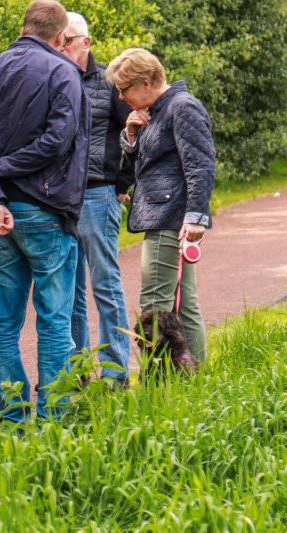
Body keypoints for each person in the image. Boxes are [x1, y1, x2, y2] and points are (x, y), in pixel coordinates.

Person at [0, 0, 90, 424]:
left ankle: (14, 419)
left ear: (25, 26)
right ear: (60, 36)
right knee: (54, 321)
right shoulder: (64, 72)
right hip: (46, 209)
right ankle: (55, 419)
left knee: (4, 323)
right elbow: (59, 140)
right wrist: (7, 170)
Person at [107, 48, 215, 361]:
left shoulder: (182, 106)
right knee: (184, 304)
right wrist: (130, 133)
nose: (121, 97)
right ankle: (196, 382)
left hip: (170, 217)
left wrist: (196, 216)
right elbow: (152, 159)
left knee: (154, 306)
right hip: (165, 214)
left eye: (124, 89)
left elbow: (201, 164)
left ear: (144, 82)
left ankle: (158, 388)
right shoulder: (158, 109)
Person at [59, 12, 135, 390]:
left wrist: (122, 180)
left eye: (66, 39)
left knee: (105, 284)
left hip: (98, 194)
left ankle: (116, 372)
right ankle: (77, 373)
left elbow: (139, 131)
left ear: (85, 42)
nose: (60, 45)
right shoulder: (53, 78)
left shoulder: (110, 84)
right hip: (59, 202)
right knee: (69, 290)